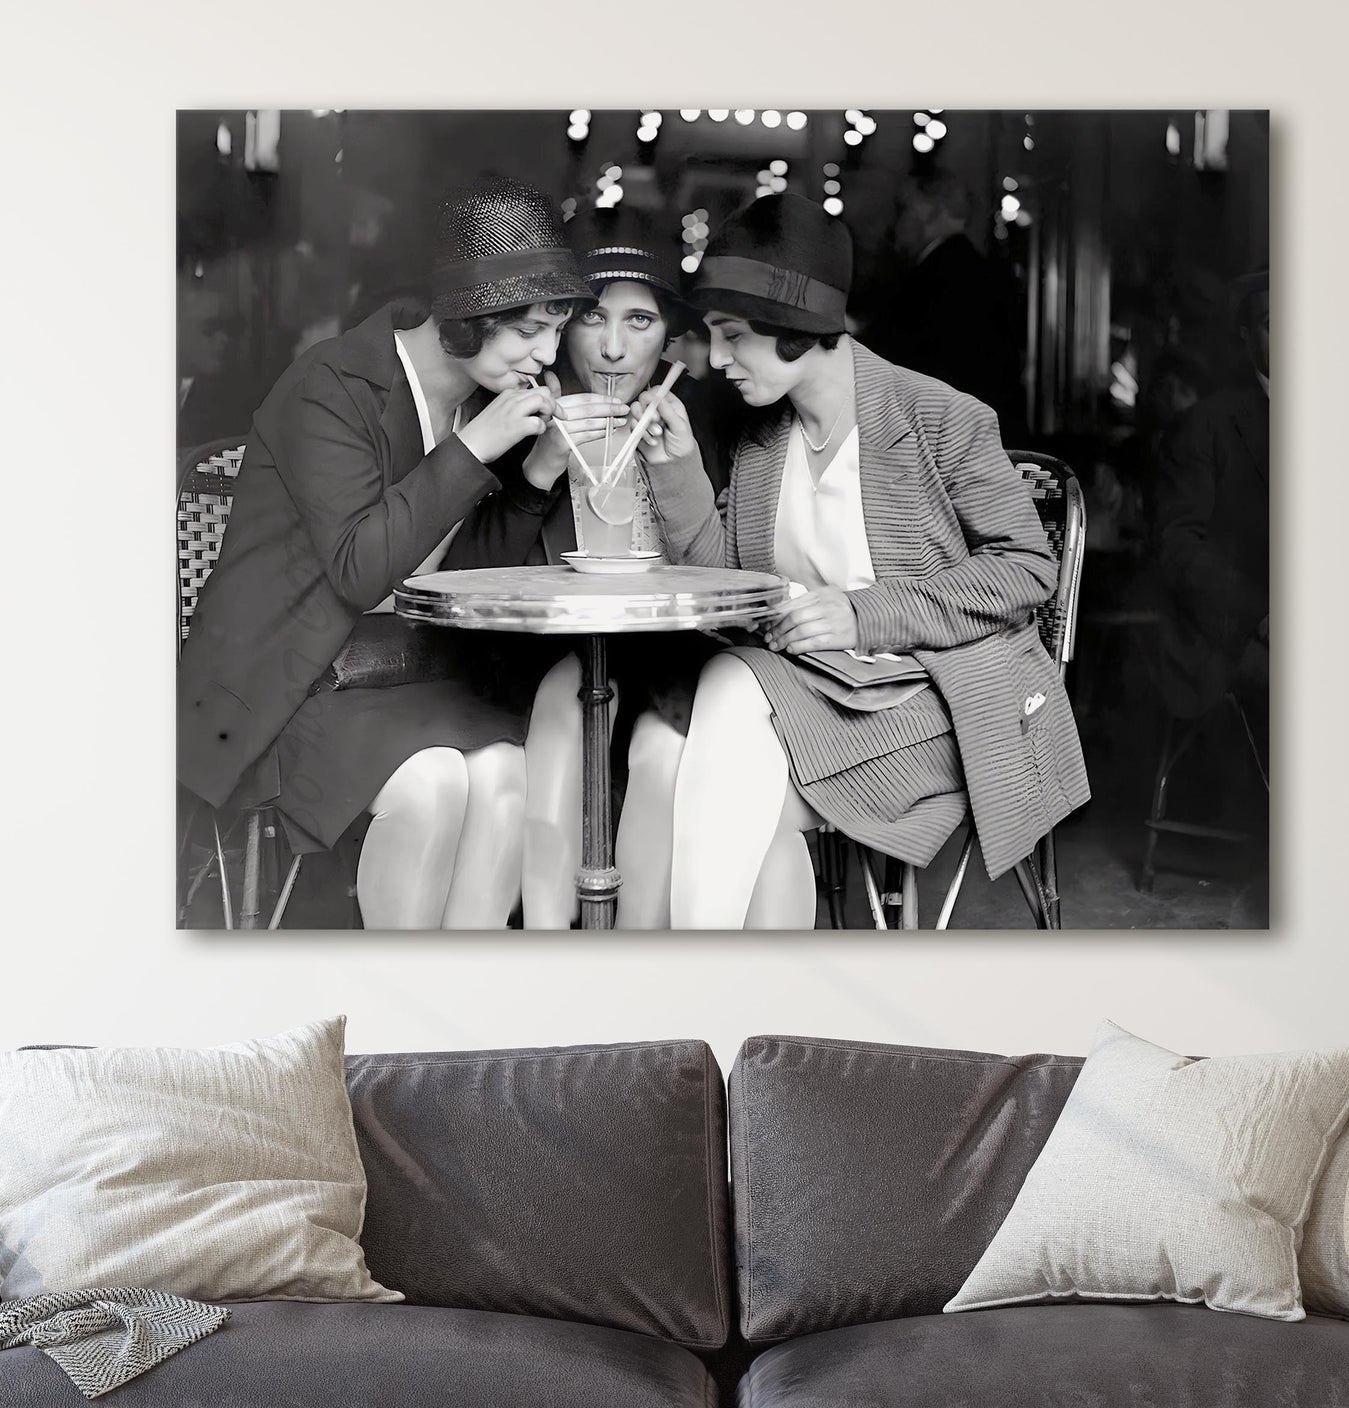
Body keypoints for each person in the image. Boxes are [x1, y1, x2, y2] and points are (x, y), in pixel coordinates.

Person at [619, 192, 1090, 928]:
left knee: (721, 691)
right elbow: (727, 582)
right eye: (712, 335)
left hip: (931, 705)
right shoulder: (760, 437)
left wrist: (861, 614)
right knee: (712, 776)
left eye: (732, 335)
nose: (713, 360)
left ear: (798, 327)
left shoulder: (939, 416)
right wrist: (678, 467)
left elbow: (1028, 566)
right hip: (803, 693)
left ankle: (680, 1006)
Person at [177, 175, 596, 928]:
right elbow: (360, 568)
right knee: (433, 783)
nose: (548, 354)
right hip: (292, 682)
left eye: (557, 329)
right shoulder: (331, 386)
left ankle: (460, 1015)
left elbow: (458, 580)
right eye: (529, 328)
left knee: (506, 772)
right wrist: (476, 447)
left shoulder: (479, 396)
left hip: (403, 672)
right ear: (465, 316)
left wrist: (533, 476)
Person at [444, 206, 721, 927]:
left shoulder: (703, 424)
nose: (611, 348)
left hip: (673, 659)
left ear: (670, 335)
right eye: (593, 318)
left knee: (661, 751)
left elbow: (735, 577)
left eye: (640, 322)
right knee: (569, 691)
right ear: (562, 324)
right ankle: (549, 939)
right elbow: (467, 574)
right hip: (533, 661)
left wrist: (685, 474)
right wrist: (536, 474)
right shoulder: (511, 416)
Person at [1152, 271, 1269, 723]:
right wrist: (1260, 615)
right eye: (1274, 324)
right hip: (1231, 644)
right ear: (1245, 338)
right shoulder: (1207, 425)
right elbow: (1177, 548)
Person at [867, 172, 1028, 445]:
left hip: (941, 444)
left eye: (904, 209)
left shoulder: (929, 281)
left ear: (931, 213)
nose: (897, 223)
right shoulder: (987, 274)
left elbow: (895, 366)